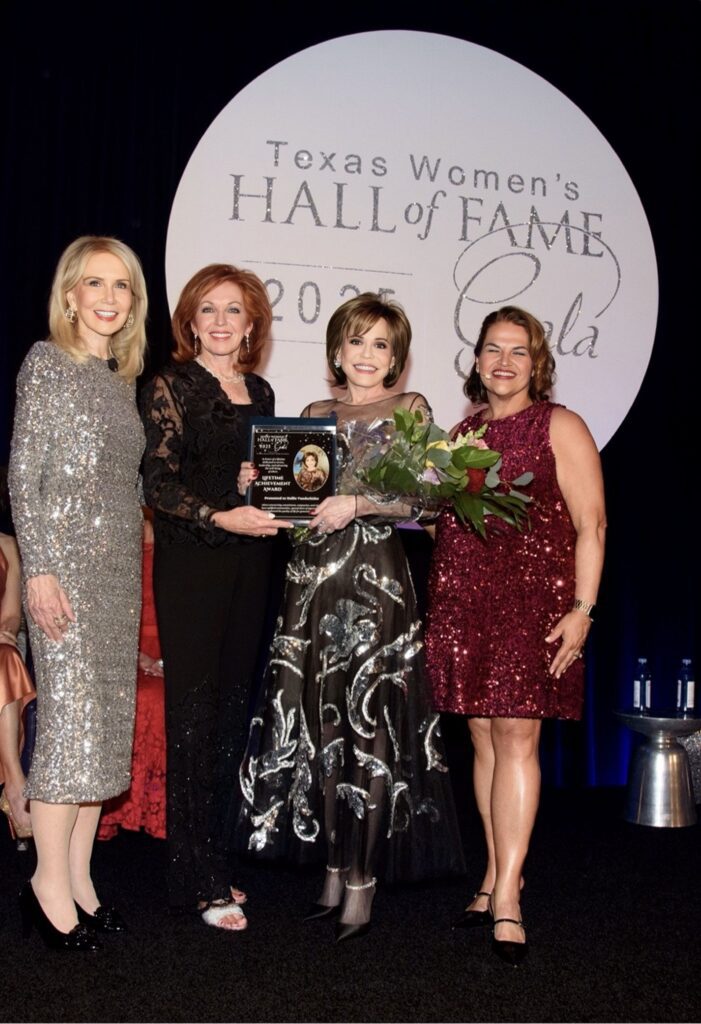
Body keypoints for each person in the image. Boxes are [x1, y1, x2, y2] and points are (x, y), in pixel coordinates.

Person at [238, 293, 464, 943]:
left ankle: (362, 880)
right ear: (336, 350)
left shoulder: (410, 410)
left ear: (395, 358)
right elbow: (290, 507)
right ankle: (335, 863)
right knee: (316, 724)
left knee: (367, 731)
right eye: (357, 342)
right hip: (308, 586)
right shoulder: (312, 415)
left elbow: (432, 497)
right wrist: (258, 483)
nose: (367, 356)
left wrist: (359, 502)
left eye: (381, 345)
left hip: (374, 587)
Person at [425, 305, 606, 965]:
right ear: (476, 361)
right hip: (462, 602)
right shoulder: (461, 431)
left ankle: (507, 897)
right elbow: (444, 519)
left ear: (537, 364)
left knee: (516, 736)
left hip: (531, 605)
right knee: (480, 737)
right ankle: (499, 871)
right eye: (492, 350)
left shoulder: (560, 425)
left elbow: (592, 524)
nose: (503, 362)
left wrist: (582, 609)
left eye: (518, 352)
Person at [141, 264, 293, 931]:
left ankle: (216, 859)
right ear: (190, 321)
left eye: (235, 310)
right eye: (209, 310)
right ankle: (195, 879)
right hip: (193, 565)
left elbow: (244, 471)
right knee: (194, 716)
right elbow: (159, 484)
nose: (223, 321)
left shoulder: (259, 389)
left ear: (252, 322)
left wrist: (254, 480)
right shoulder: (170, 385)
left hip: (251, 561)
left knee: (235, 714)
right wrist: (216, 514)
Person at [8, 235, 148, 951]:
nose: (108, 298)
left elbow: (125, 484)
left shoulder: (119, 380)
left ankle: (82, 881)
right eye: (95, 284)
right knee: (69, 733)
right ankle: (46, 884)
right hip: (62, 573)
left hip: (118, 573)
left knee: (104, 734)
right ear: (71, 295)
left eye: (120, 286)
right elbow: (23, 477)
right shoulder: (48, 364)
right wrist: (38, 569)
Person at [98, 509, 166, 841]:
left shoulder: (179, 547)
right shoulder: (112, 544)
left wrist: (168, 659)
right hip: (125, 650)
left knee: (160, 698)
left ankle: (156, 815)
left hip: (172, 651)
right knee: (138, 697)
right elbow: (104, 614)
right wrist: (133, 655)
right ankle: (116, 812)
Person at [0, 518, 36, 843]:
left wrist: (7, 631)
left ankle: (13, 783)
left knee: (6, 659)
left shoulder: (8, 545)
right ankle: (15, 788)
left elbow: (11, 615)